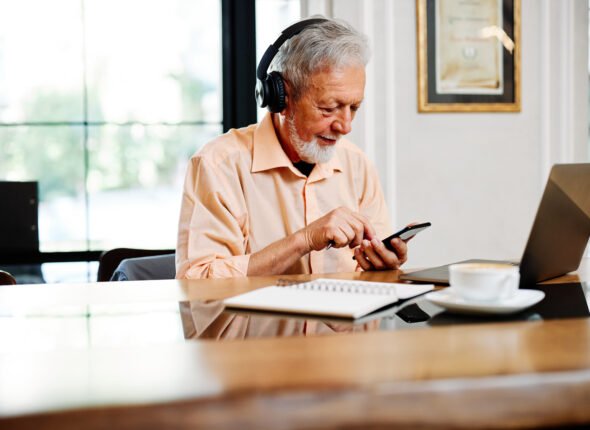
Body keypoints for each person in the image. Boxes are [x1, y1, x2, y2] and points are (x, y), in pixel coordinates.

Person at [176, 17, 408, 279]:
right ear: (281, 97)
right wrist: (305, 239)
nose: (345, 127)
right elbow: (196, 283)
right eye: (329, 108)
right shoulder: (218, 164)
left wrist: (382, 265)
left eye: (354, 108)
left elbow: (368, 276)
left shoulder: (358, 165)